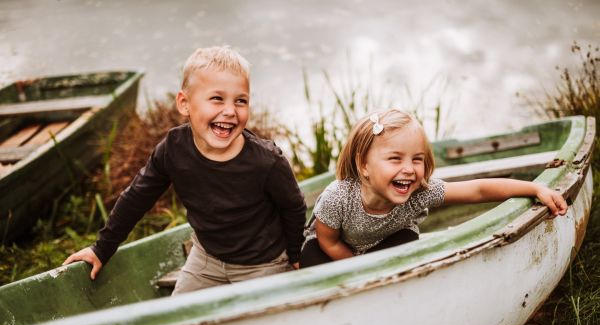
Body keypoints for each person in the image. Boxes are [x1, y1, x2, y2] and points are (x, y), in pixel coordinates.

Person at [63, 46, 307, 294]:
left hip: (262, 264)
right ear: (184, 104)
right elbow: (137, 197)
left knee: (263, 324)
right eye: (217, 98)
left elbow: (293, 206)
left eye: (240, 101)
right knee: (179, 318)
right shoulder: (173, 148)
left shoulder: (267, 161)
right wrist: (101, 249)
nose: (231, 111)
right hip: (207, 259)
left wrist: (297, 254)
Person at [299, 109, 567, 267]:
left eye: (417, 159)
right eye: (395, 159)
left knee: (407, 240)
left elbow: (478, 191)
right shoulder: (338, 197)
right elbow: (328, 240)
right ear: (364, 165)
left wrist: (534, 189)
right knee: (310, 253)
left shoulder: (420, 192)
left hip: (381, 246)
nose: (410, 169)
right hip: (337, 250)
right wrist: (354, 267)